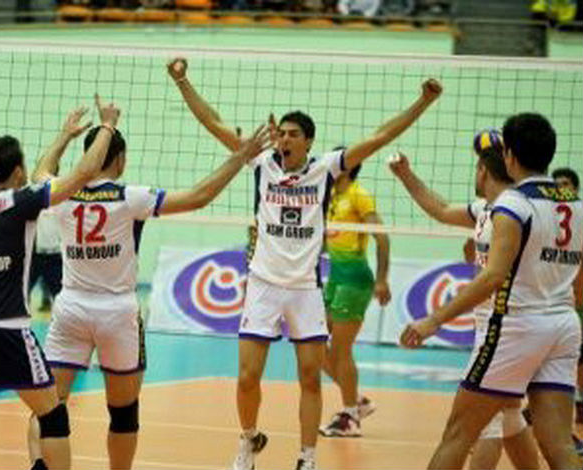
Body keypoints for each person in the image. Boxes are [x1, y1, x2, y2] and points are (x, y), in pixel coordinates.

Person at [167, 56, 442, 470]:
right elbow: (213, 122)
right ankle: (248, 440)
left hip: (304, 290)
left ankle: (306, 457)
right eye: (282, 133)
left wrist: (423, 101)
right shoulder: (261, 162)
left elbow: (380, 136)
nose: (284, 139)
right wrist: (182, 80)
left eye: (293, 134)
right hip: (262, 285)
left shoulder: (326, 169)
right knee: (247, 377)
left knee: (311, 377)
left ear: (309, 142)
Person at [26, 118, 271, 470]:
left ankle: (40, 463)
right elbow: (199, 197)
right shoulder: (130, 197)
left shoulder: (60, 193)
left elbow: (39, 172)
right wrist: (241, 157)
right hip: (117, 314)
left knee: (48, 406)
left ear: (88, 156)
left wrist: (64, 135)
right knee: (124, 413)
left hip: (71, 308)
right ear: (120, 159)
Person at [399, 113, 583, 469]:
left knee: (459, 434)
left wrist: (433, 320)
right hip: (563, 325)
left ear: (509, 155)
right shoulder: (574, 204)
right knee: (559, 445)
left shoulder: (513, 204)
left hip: (516, 327)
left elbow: (493, 276)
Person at [0, 96, 120, 470]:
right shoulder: (21, 201)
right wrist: (107, 127)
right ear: (17, 171)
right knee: (53, 415)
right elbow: (83, 173)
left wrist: (64, 135)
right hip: (7, 327)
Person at [389, 129, 539, 470]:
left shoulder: (514, 211)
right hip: (503, 324)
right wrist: (406, 176)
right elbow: (440, 209)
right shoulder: (488, 209)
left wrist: (434, 320)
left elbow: (496, 274)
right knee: (509, 415)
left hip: (506, 325)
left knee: (479, 424)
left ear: (483, 170)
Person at [319, 158, 390, 438]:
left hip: (356, 279)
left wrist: (382, 279)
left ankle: (350, 417)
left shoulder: (359, 195)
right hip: (335, 277)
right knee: (313, 343)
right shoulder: (331, 195)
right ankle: (357, 401)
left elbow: (382, 238)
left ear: (346, 168)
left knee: (340, 350)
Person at [552, 167, 583, 425]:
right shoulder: (545, 216)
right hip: (555, 301)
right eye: (557, 184)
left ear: (576, 189)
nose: (561, 189)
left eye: (566, 184)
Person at [29, 206, 62, 312]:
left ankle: (56, 314)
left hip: (56, 256)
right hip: (37, 256)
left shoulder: (60, 208)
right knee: (24, 290)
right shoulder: (36, 207)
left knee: (58, 293)